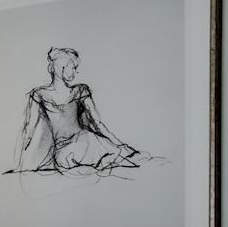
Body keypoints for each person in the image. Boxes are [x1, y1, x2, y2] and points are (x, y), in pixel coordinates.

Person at [12, 47, 141, 174]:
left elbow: (97, 123)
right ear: (62, 67)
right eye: (73, 67)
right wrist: (22, 162)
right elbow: (29, 129)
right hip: (65, 151)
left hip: (84, 142)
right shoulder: (39, 94)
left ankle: (110, 156)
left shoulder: (80, 90)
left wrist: (120, 145)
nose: (76, 72)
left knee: (92, 147)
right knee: (79, 156)